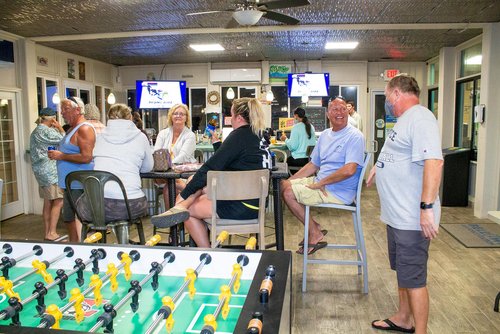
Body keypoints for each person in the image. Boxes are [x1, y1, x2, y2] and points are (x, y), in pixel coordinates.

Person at [367, 74, 443, 334]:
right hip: (396, 215)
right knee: (403, 272)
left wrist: (425, 208)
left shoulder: (421, 118)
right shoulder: (404, 121)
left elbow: (434, 162)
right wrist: (379, 167)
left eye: (388, 98)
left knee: (414, 280)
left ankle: (420, 330)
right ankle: (403, 317)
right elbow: (396, 153)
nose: (388, 103)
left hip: (412, 217)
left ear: (397, 94)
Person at [152, 98, 270, 247]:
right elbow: (233, 158)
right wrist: (217, 144)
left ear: (239, 118)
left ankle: (208, 252)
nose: (230, 120)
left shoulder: (238, 136)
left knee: (188, 208)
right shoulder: (259, 136)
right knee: (199, 187)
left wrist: (184, 194)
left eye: (231, 116)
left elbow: (210, 167)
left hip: (240, 206)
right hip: (257, 203)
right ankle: (181, 207)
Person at [281, 97, 365, 255]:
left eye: (343, 109)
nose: (339, 113)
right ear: (328, 114)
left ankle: (314, 232)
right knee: (283, 186)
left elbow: (349, 170)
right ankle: (315, 227)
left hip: (338, 191)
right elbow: (313, 165)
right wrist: (290, 181)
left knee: (288, 193)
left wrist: (320, 183)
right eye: (335, 109)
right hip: (321, 182)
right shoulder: (325, 135)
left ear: (348, 111)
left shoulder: (355, 136)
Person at [76, 104, 153, 221]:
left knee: (82, 203)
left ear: (108, 118)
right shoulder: (141, 137)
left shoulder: (100, 137)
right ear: (130, 118)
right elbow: (148, 167)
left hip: (99, 204)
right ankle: (119, 236)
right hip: (132, 205)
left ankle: (91, 236)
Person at [48, 97, 96, 242]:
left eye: (66, 109)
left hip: (79, 183)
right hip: (68, 183)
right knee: (68, 218)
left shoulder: (85, 129)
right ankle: (75, 245)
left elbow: (87, 157)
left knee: (81, 218)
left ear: (78, 110)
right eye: (61, 109)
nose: (62, 113)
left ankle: (82, 248)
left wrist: (61, 156)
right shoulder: (71, 129)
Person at [29, 107, 65, 241]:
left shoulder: (36, 131)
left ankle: (47, 232)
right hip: (50, 171)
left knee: (48, 202)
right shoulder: (45, 131)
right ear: (52, 119)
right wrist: (60, 128)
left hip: (41, 171)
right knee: (59, 200)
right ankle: (52, 232)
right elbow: (64, 140)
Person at [154, 104, 196, 203]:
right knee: (166, 182)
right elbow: (157, 153)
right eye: (175, 113)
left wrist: (167, 166)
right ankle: (189, 189)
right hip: (165, 173)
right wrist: (167, 168)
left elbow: (183, 156)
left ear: (186, 118)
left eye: (182, 114)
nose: (178, 116)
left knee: (168, 189)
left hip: (183, 174)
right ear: (171, 116)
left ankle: (170, 217)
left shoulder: (190, 135)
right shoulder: (163, 133)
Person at [280, 107, 317, 173]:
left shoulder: (296, 127)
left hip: (298, 159)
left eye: (294, 116)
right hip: (310, 159)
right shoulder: (311, 126)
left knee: (283, 161)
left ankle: (291, 179)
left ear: (296, 116)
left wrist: (285, 139)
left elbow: (293, 147)